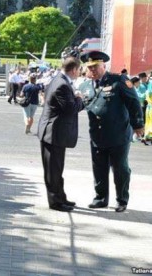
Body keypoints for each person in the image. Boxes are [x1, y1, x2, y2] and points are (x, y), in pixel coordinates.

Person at [78, 51, 144, 212]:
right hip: (97, 135)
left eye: (95, 67)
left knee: (120, 168)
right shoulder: (84, 86)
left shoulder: (118, 81)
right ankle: (100, 198)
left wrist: (138, 124)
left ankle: (121, 200)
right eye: (90, 67)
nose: (92, 70)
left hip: (118, 133)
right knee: (99, 168)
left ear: (103, 65)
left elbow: (133, 102)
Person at [37, 57, 84, 212]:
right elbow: (70, 109)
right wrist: (79, 98)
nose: (80, 73)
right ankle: (55, 202)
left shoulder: (60, 80)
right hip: (53, 133)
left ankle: (61, 197)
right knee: (53, 170)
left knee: (57, 169)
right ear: (74, 69)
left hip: (55, 133)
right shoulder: (62, 84)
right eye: (79, 70)